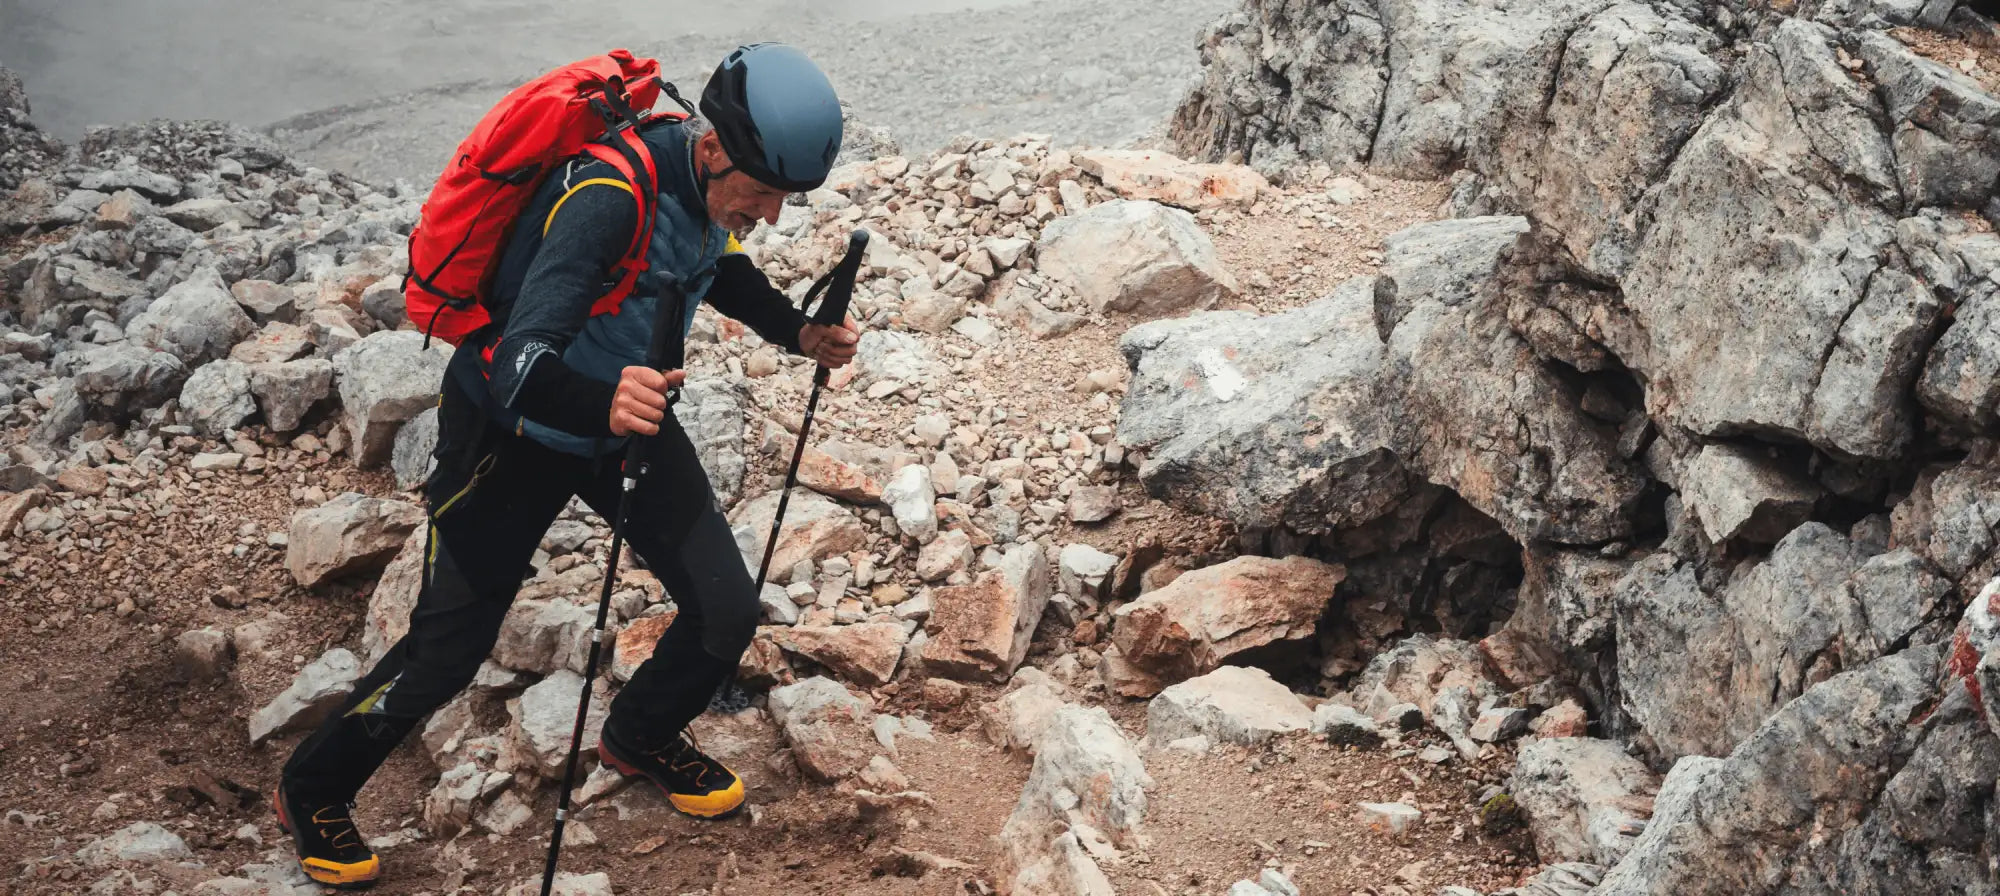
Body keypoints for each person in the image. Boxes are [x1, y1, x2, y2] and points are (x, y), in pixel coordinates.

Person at [270, 43, 860, 889]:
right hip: (512, 433)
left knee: (727, 611)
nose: (767, 215)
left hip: (627, 415)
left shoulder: (699, 192)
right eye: (761, 194)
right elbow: (517, 359)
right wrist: (601, 404)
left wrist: (795, 331)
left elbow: (712, 264)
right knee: (447, 650)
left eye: (781, 200)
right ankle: (313, 785)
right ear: (713, 146)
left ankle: (641, 736)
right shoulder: (608, 198)